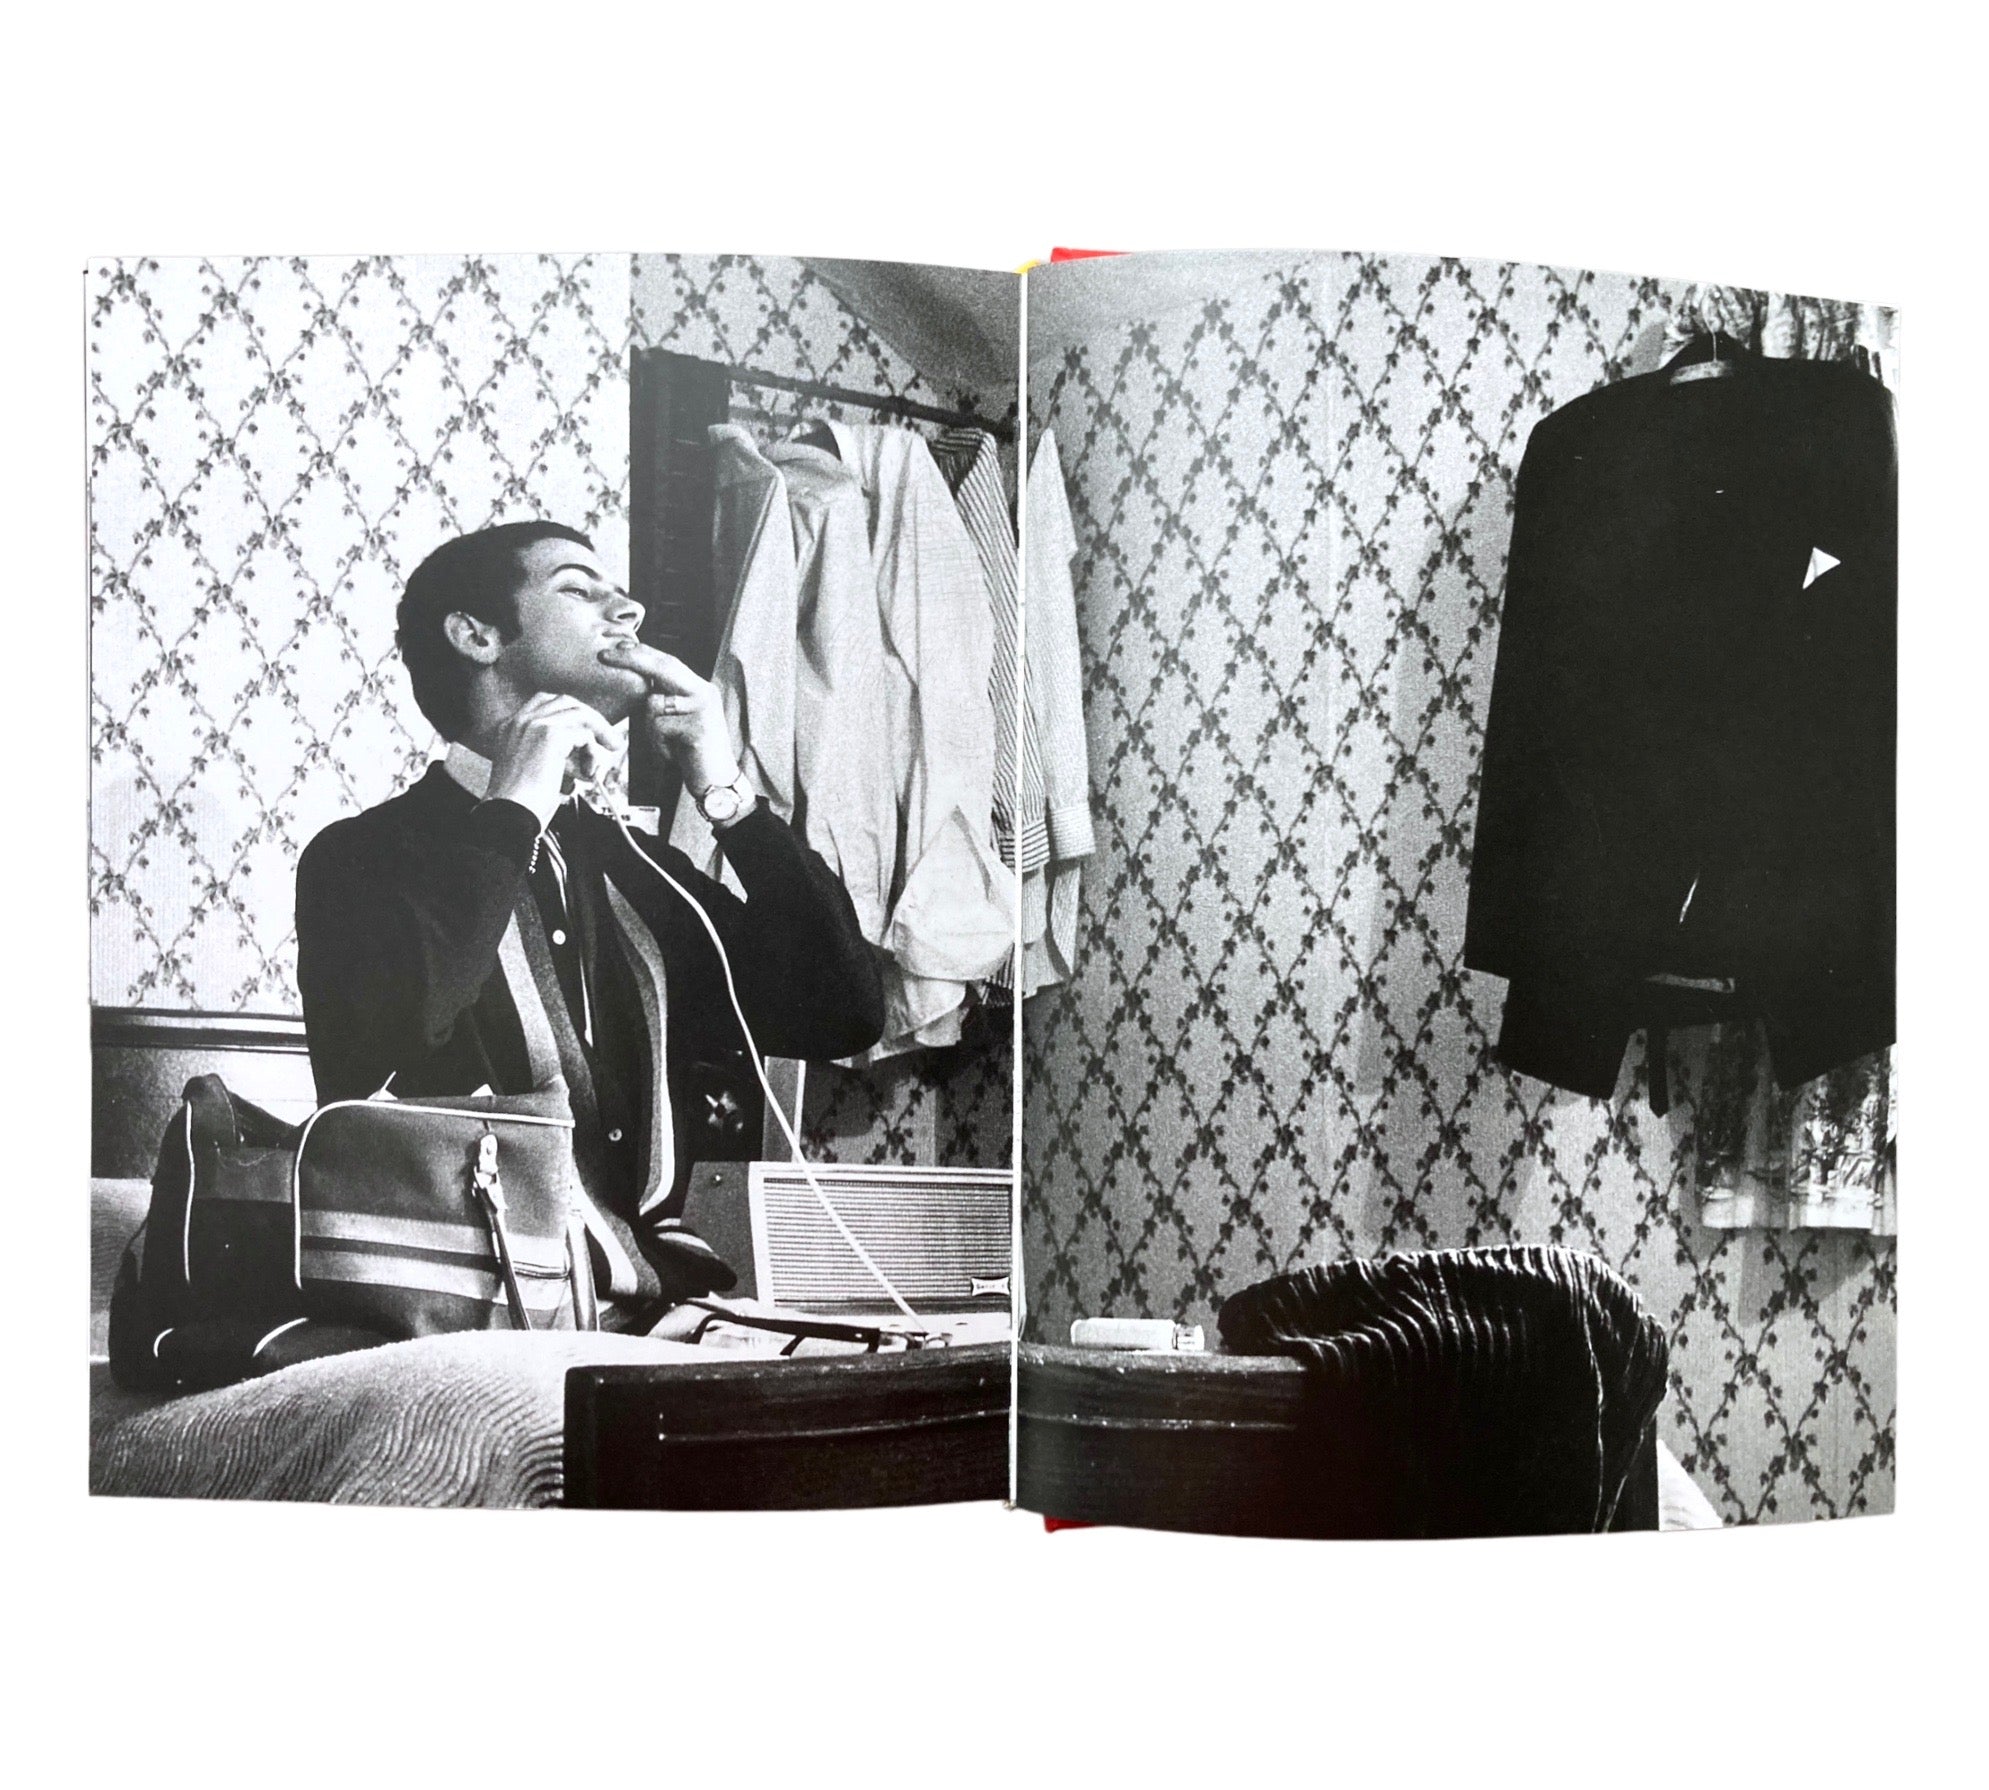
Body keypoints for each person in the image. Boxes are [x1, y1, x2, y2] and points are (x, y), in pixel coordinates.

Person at [295, 521, 886, 1325]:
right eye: (579, 587)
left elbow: (841, 1012)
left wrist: (723, 789)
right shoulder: (362, 857)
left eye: (620, 592)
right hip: (463, 1312)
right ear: (476, 636)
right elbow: (388, 1047)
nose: (630, 610)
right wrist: (516, 806)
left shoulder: (635, 869)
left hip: (650, 1309)